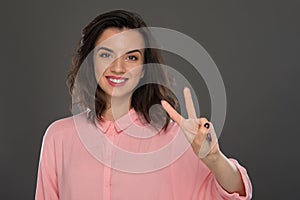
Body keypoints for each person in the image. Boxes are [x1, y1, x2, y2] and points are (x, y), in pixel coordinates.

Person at [35, 10, 252, 200]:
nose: (118, 67)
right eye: (106, 54)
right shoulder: (59, 137)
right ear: (90, 61)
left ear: (144, 68)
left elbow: (235, 193)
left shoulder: (173, 138)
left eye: (131, 57)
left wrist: (213, 157)